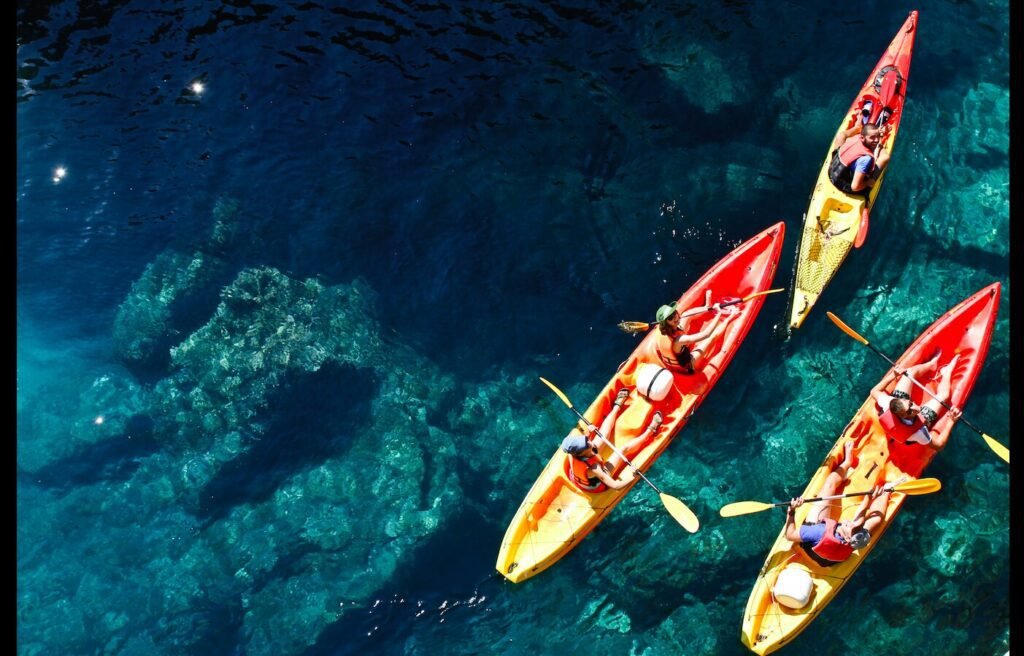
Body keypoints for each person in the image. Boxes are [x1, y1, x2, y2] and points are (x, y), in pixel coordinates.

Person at [784, 441, 890, 566]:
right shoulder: (854, 540)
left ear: (847, 539)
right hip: (824, 557)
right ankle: (887, 490)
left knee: (829, 484)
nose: (848, 522)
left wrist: (791, 511)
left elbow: (790, 535)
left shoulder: (819, 531)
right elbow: (858, 522)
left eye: (849, 525)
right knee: (876, 520)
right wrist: (869, 497)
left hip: (814, 547)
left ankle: (847, 464)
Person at [561, 388, 664, 491]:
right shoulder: (594, 468)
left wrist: (589, 432)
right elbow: (616, 486)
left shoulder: (573, 451)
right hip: (596, 484)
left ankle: (617, 406)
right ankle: (650, 430)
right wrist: (634, 475)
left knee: (604, 433)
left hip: (581, 469)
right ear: (581, 452)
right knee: (623, 449)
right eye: (587, 444)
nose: (589, 441)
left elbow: (583, 444)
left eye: (585, 440)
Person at [870, 351, 962, 450]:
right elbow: (939, 445)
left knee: (910, 373)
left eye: (910, 403)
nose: (915, 407)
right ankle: (947, 372)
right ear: (902, 415)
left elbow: (874, 391)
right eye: (910, 411)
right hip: (914, 426)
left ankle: (931, 364)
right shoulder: (918, 433)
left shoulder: (888, 402)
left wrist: (893, 376)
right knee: (944, 395)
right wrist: (951, 421)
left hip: (900, 407)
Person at [652, 290, 738, 374]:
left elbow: (680, 319)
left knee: (686, 315)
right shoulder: (679, 340)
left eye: (674, 313)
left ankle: (707, 307)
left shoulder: (661, 328)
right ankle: (730, 318)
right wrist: (719, 313)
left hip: (676, 354)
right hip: (687, 365)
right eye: (670, 318)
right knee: (711, 337)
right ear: (666, 324)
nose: (675, 317)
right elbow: (706, 334)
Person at [827, 122, 891, 195]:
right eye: (872, 137)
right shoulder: (866, 159)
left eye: (878, 136)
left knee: (841, 135)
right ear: (862, 137)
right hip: (845, 185)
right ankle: (872, 180)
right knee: (885, 157)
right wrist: (867, 183)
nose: (876, 140)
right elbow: (855, 187)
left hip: (832, 171)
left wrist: (877, 133)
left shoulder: (856, 138)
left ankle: (857, 127)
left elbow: (868, 138)